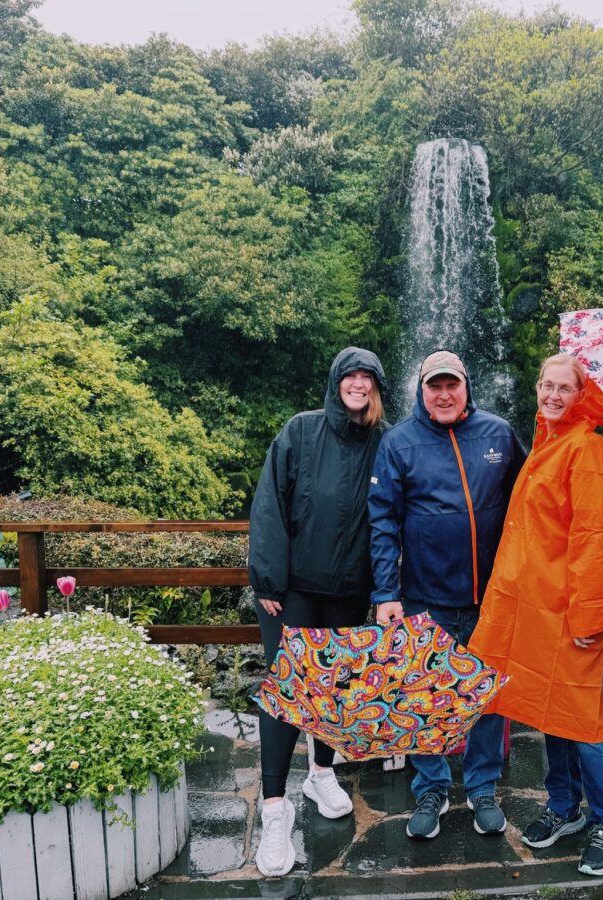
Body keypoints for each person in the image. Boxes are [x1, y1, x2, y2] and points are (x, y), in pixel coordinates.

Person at [468, 353, 603, 877]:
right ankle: (564, 806)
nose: (554, 395)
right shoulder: (547, 442)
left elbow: (590, 537)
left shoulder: (585, 448)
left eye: (565, 388)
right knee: (552, 709)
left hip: (569, 609)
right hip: (537, 607)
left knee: (583, 719)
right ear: (537, 388)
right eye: (547, 385)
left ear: (581, 396)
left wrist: (588, 616)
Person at [368, 349, 526, 840]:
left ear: (466, 386)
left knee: (484, 696)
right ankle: (431, 788)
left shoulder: (498, 433)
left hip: (490, 598)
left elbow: (529, 499)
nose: (443, 394)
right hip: (425, 596)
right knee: (425, 695)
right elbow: (382, 520)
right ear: (421, 391)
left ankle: (482, 787)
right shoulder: (399, 442)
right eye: (433, 386)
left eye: (451, 384)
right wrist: (386, 592)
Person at [247, 347, 388, 877]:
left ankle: (321, 772)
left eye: (368, 377)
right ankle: (274, 809)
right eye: (351, 375)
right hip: (293, 590)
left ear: (376, 388)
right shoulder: (301, 431)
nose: (358, 384)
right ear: (336, 382)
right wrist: (268, 576)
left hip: (349, 590)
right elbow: (269, 502)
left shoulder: (384, 441)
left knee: (335, 685)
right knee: (287, 691)